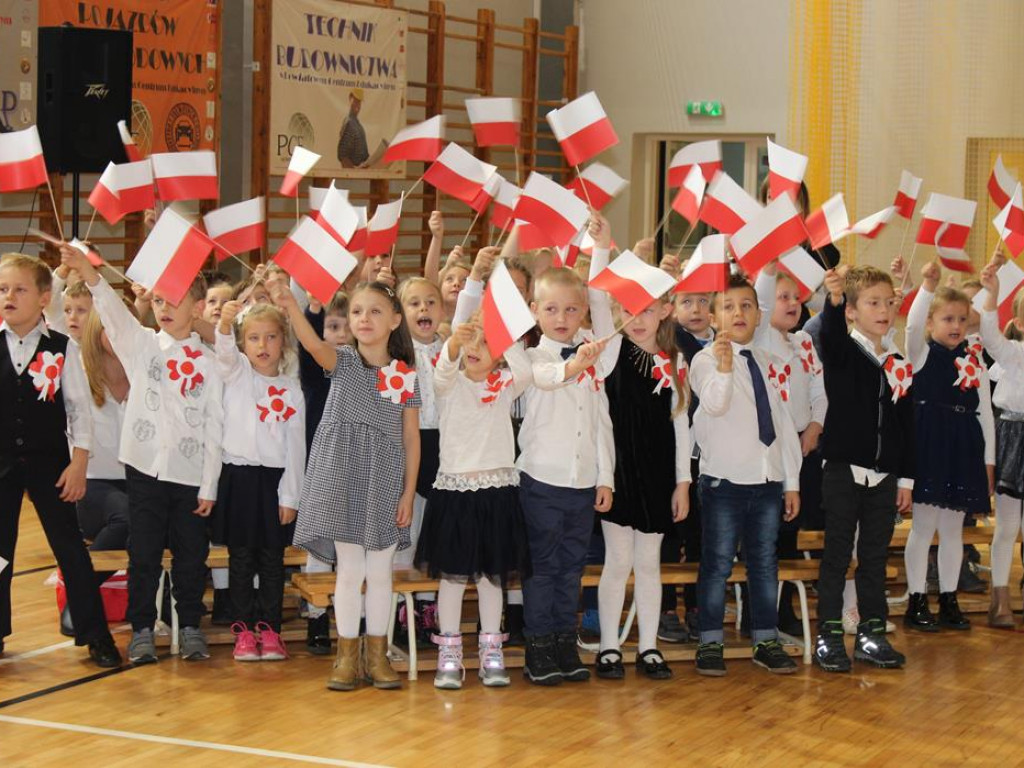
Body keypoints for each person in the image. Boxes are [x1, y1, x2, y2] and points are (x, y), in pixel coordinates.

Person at [62, 245, 224, 664]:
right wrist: (90, 273)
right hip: (144, 471)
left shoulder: (210, 363)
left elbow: (215, 427)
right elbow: (113, 312)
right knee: (144, 554)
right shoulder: (141, 345)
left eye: (175, 300)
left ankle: (188, 626)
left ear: (198, 307)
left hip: (190, 477)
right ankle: (142, 630)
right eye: (158, 300)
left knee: (192, 554)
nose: (164, 307)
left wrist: (209, 483)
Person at [271, 279, 420, 691]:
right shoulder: (343, 361)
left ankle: (378, 655)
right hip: (343, 475)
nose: (364, 319)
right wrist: (290, 306)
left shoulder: (404, 376)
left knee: (380, 570)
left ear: (394, 320)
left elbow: (411, 438)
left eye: (375, 311)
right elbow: (310, 342)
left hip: (384, 480)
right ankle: (346, 656)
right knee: (350, 569)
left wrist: (408, 492)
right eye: (357, 312)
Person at [0, 253, 120, 667]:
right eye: (2, 290)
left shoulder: (62, 347)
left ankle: (95, 634)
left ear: (43, 298)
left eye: (19, 289)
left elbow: (78, 411)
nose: (9, 296)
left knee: (69, 547)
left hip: (50, 462)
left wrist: (79, 463)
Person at [588, 218, 690, 681]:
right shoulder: (610, 351)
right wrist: (600, 247)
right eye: (630, 309)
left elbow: (681, 423)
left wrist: (683, 482)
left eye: (648, 309)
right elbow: (593, 295)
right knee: (618, 562)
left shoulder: (674, 362)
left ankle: (648, 648)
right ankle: (610, 647)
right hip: (621, 472)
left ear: (665, 311)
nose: (639, 318)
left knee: (650, 565)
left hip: (658, 475)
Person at [689, 272, 801, 676]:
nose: (738, 313)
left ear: (758, 315)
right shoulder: (704, 361)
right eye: (729, 306)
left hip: (767, 481)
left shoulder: (769, 363)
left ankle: (765, 639)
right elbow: (715, 406)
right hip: (725, 482)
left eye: (747, 306)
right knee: (717, 563)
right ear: (715, 316)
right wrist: (721, 367)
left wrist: (791, 482)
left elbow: (784, 428)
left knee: (764, 564)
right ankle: (710, 642)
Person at [414, 316, 532, 689]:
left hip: (496, 492)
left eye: (486, 344)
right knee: (451, 578)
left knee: (491, 579)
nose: (476, 349)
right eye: (471, 342)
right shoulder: (449, 384)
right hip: (455, 495)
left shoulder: (505, 386)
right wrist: (453, 343)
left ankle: (490, 650)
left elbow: (526, 370)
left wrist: (503, 333)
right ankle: (449, 651)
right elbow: (443, 368)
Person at [517, 264, 615, 686]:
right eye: (552, 309)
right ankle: (537, 646)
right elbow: (548, 378)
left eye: (572, 309)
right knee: (542, 568)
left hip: (581, 483)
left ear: (584, 313)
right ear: (535, 311)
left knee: (571, 568)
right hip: (541, 481)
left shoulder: (594, 356)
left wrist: (605, 476)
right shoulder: (530, 359)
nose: (562, 318)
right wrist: (575, 365)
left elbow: (602, 424)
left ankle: (563, 640)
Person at [813, 266, 913, 672]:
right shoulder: (841, 350)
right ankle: (829, 635)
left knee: (874, 556)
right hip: (842, 470)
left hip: (884, 476)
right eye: (873, 302)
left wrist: (905, 477)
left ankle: (872, 633)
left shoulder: (898, 362)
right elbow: (830, 334)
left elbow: (907, 426)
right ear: (852, 311)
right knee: (837, 555)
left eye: (889, 302)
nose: (884, 309)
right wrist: (833, 300)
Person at [901, 263, 993, 632]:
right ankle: (916, 598)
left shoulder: (974, 361)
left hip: (964, 447)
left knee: (954, 529)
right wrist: (927, 286)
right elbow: (909, 327)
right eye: (946, 319)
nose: (954, 326)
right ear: (931, 323)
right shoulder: (921, 354)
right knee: (923, 528)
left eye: (960, 319)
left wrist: (988, 462)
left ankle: (949, 599)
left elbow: (985, 413)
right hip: (930, 445)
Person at [213, 300, 305, 661]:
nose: (263, 345)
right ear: (242, 345)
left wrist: (290, 496)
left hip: (274, 485)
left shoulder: (292, 389)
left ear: (283, 342)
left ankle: (270, 630)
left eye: (270, 337)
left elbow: (296, 449)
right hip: (238, 479)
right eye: (253, 338)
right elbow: (222, 354)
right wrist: (222, 322)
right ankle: (243, 632)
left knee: (271, 561)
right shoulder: (236, 375)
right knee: (240, 559)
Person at [753, 263, 827, 636]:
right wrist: (768, 268)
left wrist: (815, 426)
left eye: (797, 297)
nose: (793, 303)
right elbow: (761, 302)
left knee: (789, 533)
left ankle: (782, 610)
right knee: (765, 534)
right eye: (784, 297)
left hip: (803, 445)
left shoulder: (803, 342)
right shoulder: (761, 337)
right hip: (770, 448)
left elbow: (819, 390)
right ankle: (760, 613)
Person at [297, 289, 350, 654]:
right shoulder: (316, 373)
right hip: (322, 473)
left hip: (359, 473)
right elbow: (307, 344)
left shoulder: (367, 369)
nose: (342, 333)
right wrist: (314, 310)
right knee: (320, 551)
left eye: (347, 326)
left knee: (353, 552)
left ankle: (353, 620)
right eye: (333, 326)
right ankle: (317, 618)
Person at [979, 260, 1024, 629]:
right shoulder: (1013, 354)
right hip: (1013, 437)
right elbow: (991, 339)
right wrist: (991, 295)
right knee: (1007, 526)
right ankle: (1000, 599)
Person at [337, 88, 370, 168]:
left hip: (361, 174)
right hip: (353, 175)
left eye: (359, 102)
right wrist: (353, 172)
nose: (357, 105)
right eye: (355, 101)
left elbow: (365, 155)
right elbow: (343, 155)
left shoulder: (358, 126)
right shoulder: (349, 124)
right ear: (350, 99)